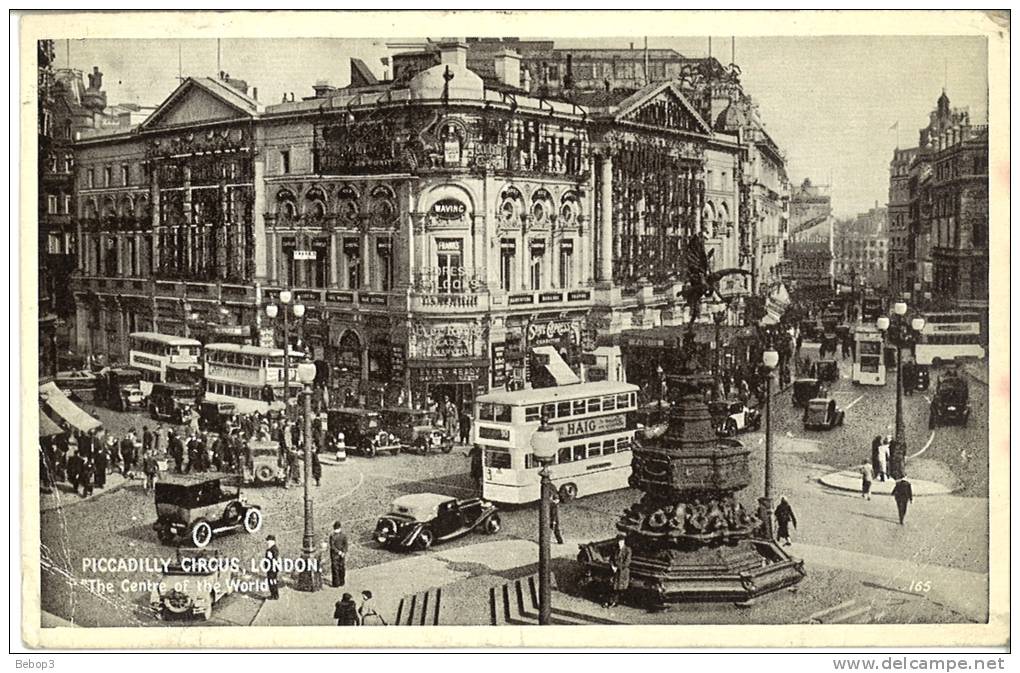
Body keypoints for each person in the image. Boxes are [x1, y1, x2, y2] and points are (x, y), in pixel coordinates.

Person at [604, 534, 631, 608]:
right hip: (614, 570)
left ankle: (614, 602)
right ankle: (610, 601)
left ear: (623, 541)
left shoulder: (627, 550)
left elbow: (627, 562)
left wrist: (617, 567)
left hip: (622, 571)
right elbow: (611, 559)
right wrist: (612, 566)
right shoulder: (615, 549)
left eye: (621, 541)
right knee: (612, 586)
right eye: (618, 541)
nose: (619, 543)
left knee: (617, 588)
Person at [329, 521, 349, 588]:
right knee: (341, 568)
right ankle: (341, 582)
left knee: (336, 568)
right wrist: (343, 552)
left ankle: (337, 583)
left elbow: (332, 546)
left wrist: (340, 552)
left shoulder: (332, 536)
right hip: (340, 554)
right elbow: (345, 545)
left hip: (335, 554)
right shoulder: (343, 535)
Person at [264, 535, 280, 600]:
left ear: (272, 541)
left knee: (272, 582)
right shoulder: (271, 548)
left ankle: (274, 595)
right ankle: (274, 595)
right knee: (272, 581)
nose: (267, 542)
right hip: (271, 568)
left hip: (272, 569)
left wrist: (271, 558)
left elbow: (275, 558)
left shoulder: (273, 549)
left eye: (268, 541)